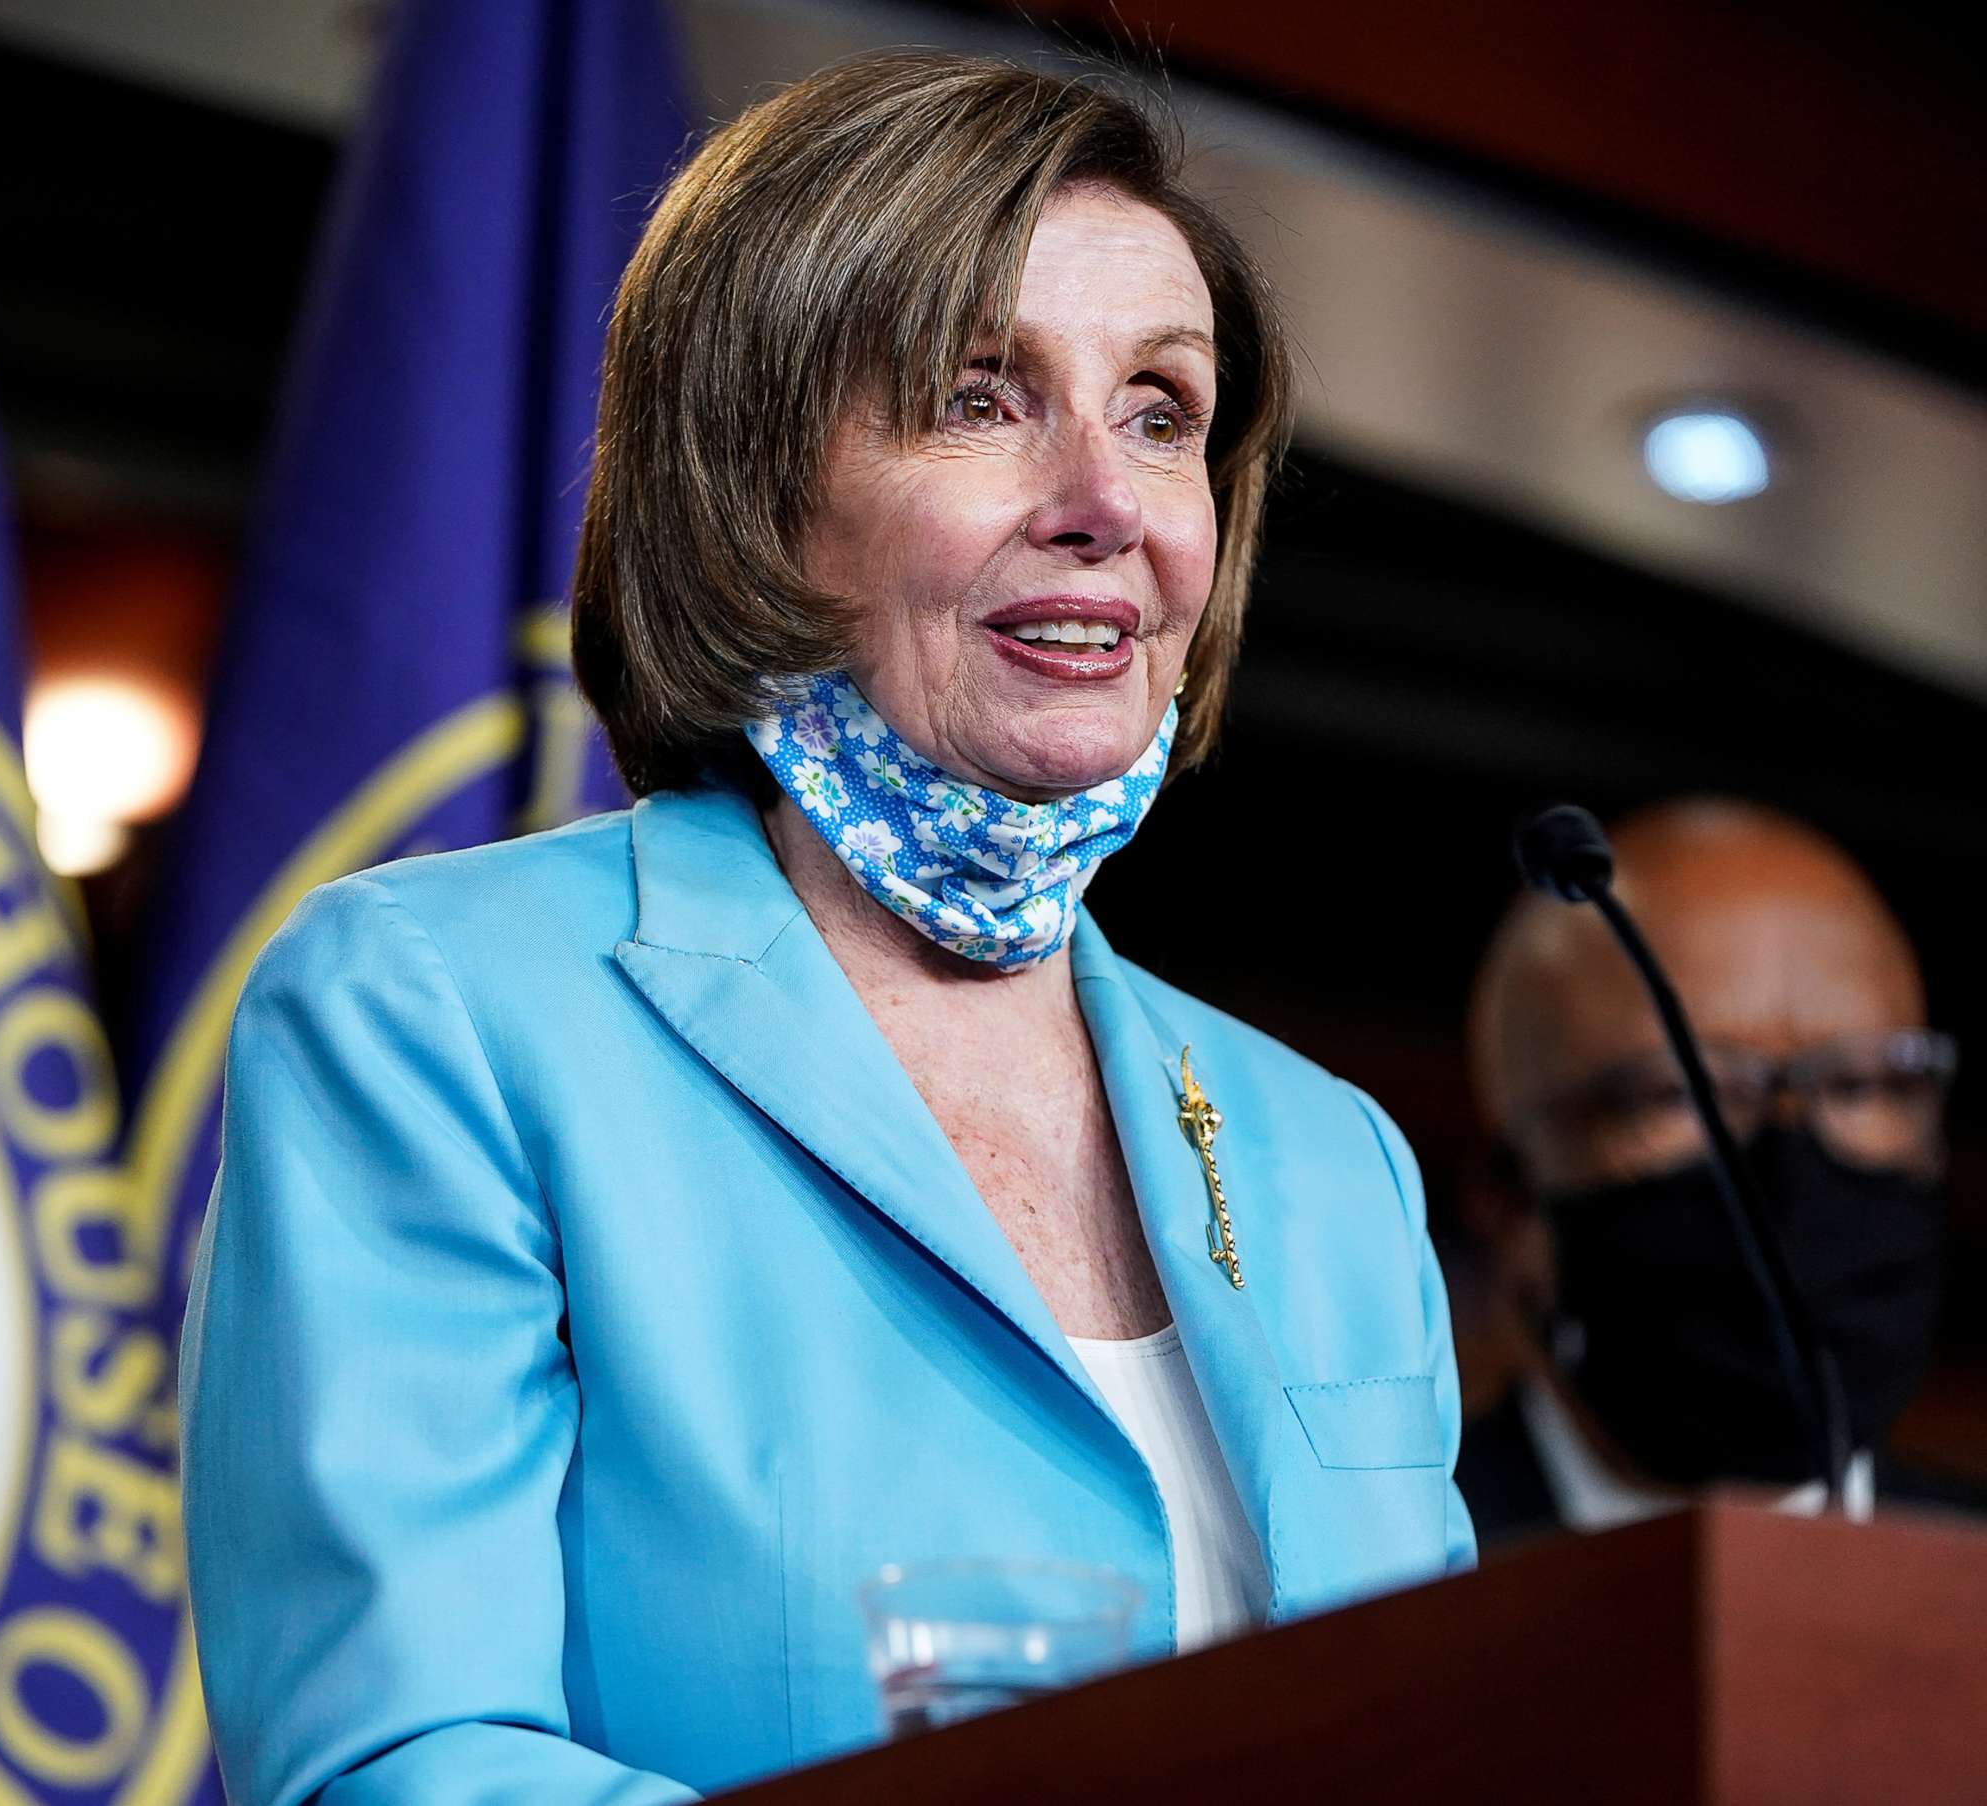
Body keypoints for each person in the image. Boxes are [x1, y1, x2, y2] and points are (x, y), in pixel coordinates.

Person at [181, 52, 1473, 1806]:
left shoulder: (1333, 1163)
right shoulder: (439, 1012)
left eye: (1161, 411)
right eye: (979, 395)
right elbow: (397, 1763)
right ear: (754, 485)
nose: (1103, 501)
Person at [1456, 798, 1968, 1544]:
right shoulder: (1372, 1599)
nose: (1791, 1166)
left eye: (1861, 1084)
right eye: (1683, 1092)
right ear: (1507, 1203)